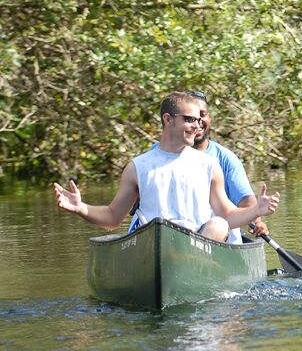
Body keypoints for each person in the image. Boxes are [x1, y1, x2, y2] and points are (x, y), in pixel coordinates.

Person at [54, 92, 280, 242]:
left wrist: (257, 210)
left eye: (199, 121)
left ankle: (193, 276)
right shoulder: (138, 167)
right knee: (158, 229)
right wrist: (81, 207)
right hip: (153, 245)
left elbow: (228, 215)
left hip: (197, 248)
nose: (197, 126)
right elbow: (113, 217)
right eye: (189, 120)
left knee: (219, 224)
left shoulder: (209, 165)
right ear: (168, 119)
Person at [128, 90, 267, 243]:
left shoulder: (223, 158)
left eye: (202, 115)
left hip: (213, 236)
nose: (197, 122)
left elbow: (246, 200)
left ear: (210, 118)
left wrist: (257, 219)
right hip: (169, 235)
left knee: (219, 224)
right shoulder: (155, 155)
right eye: (189, 118)